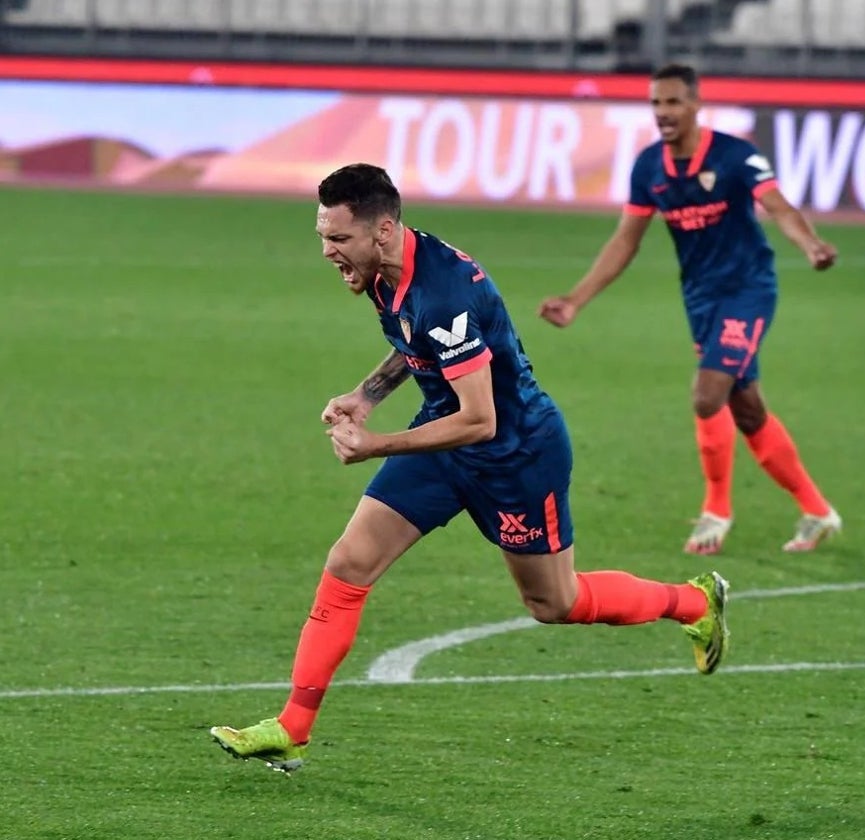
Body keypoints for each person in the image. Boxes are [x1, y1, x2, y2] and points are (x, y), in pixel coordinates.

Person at [210, 163, 729, 773]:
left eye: (338, 239)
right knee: (349, 562)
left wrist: (376, 444)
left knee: (553, 603)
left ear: (380, 231)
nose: (328, 251)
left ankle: (693, 603)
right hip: (445, 438)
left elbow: (480, 418)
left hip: (516, 455)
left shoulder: (443, 293)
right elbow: (417, 346)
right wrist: (367, 394)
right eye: (323, 236)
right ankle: (292, 727)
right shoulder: (386, 268)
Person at [539, 63, 841, 557]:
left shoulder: (735, 155)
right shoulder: (649, 168)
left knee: (707, 393)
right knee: (746, 408)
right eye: (656, 103)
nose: (663, 112)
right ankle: (817, 510)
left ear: (696, 105)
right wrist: (576, 299)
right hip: (701, 297)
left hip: (748, 289)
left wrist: (809, 245)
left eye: (673, 102)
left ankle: (716, 511)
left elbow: (778, 205)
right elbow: (626, 240)